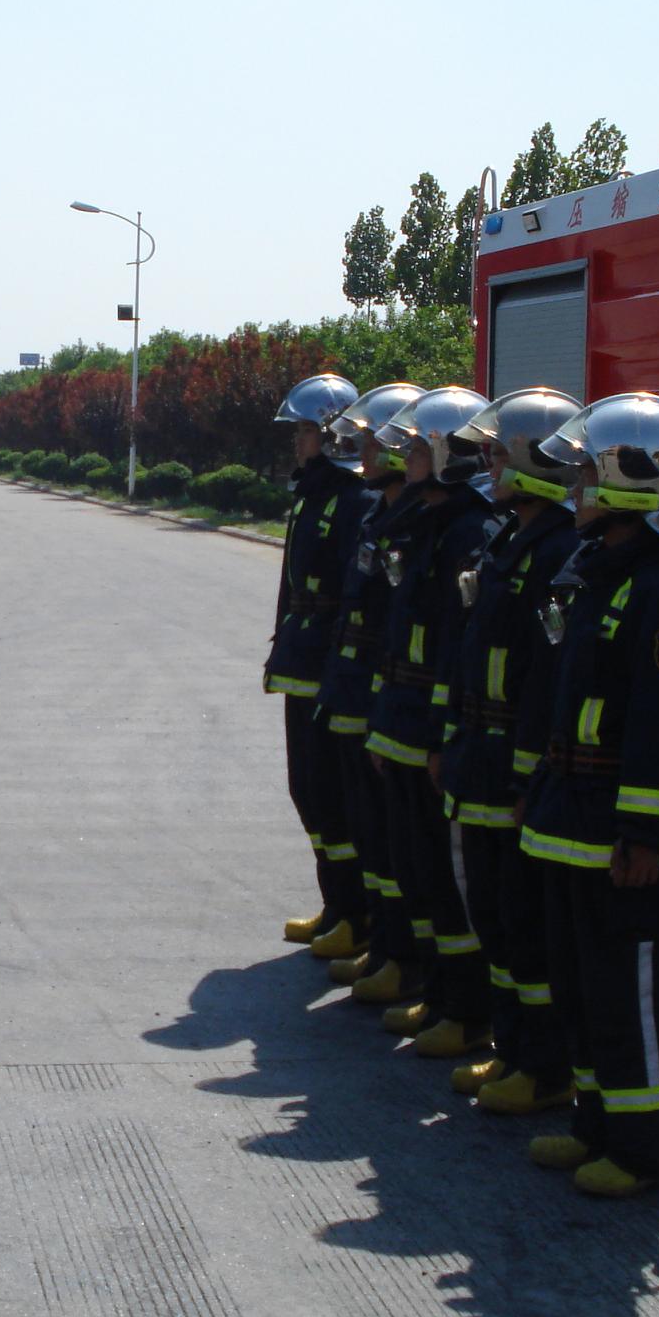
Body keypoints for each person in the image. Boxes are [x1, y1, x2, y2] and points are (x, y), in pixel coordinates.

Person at [516, 393, 659, 1197]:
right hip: (572, 821)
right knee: (584, 989)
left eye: (585, 475)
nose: (573, 489)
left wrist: (644, 833)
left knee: (635, 998)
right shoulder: (601, 575)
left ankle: (644, 1152)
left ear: (626, 481)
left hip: (620, 838)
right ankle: (596, 1127)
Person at [434, 387, 583, 1109]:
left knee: (524, 925)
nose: (488, 464)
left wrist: (529, 781)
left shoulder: (558, 550)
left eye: (500, 453)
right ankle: (509, 1048)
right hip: (481, 757)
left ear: (535, 461)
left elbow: (545, 682)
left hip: (512, 770)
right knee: (492, 914)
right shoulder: (509, 539)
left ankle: (544, 1068)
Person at [355, 388, 495, 1063]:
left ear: (446, 456)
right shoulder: (427, 523)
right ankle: (438, 994)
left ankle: (465, 1011)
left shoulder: (469, 533)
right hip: (404, 720)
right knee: (417, 868)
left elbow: (452, 648)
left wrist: (441, 736)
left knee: (443, 875)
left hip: (429, 729)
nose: (403, 457)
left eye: (415, 447)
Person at [312, 383, 424, 987]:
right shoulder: (380, 515)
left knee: (395, 838)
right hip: (361, 691)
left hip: (390, 701)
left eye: (377, 443)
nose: (366, 453)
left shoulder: (418, 527)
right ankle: (382, 944)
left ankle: (404, 959)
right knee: (369, 827)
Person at [268, 374, 373, 959]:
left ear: (333, 435)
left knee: (333, 794)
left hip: (329, 668)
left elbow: (354, 597)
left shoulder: (354, 500)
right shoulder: (309, 493)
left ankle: (357, 914)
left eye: (305, 430)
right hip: (300, 661)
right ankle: (336, 905)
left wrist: (341, 668)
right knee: (306, 788)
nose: (297, 440)